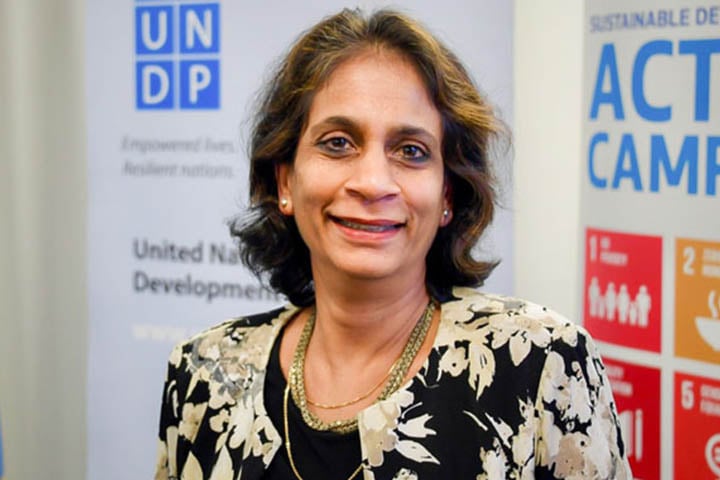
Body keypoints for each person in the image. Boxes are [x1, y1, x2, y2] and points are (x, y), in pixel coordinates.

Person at [155, 8, 632, 480]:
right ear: (285, 181)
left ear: (447, 195)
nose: (372, 182)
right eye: (338, 143)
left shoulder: (540, 365)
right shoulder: (204, 373)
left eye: (411, 151)